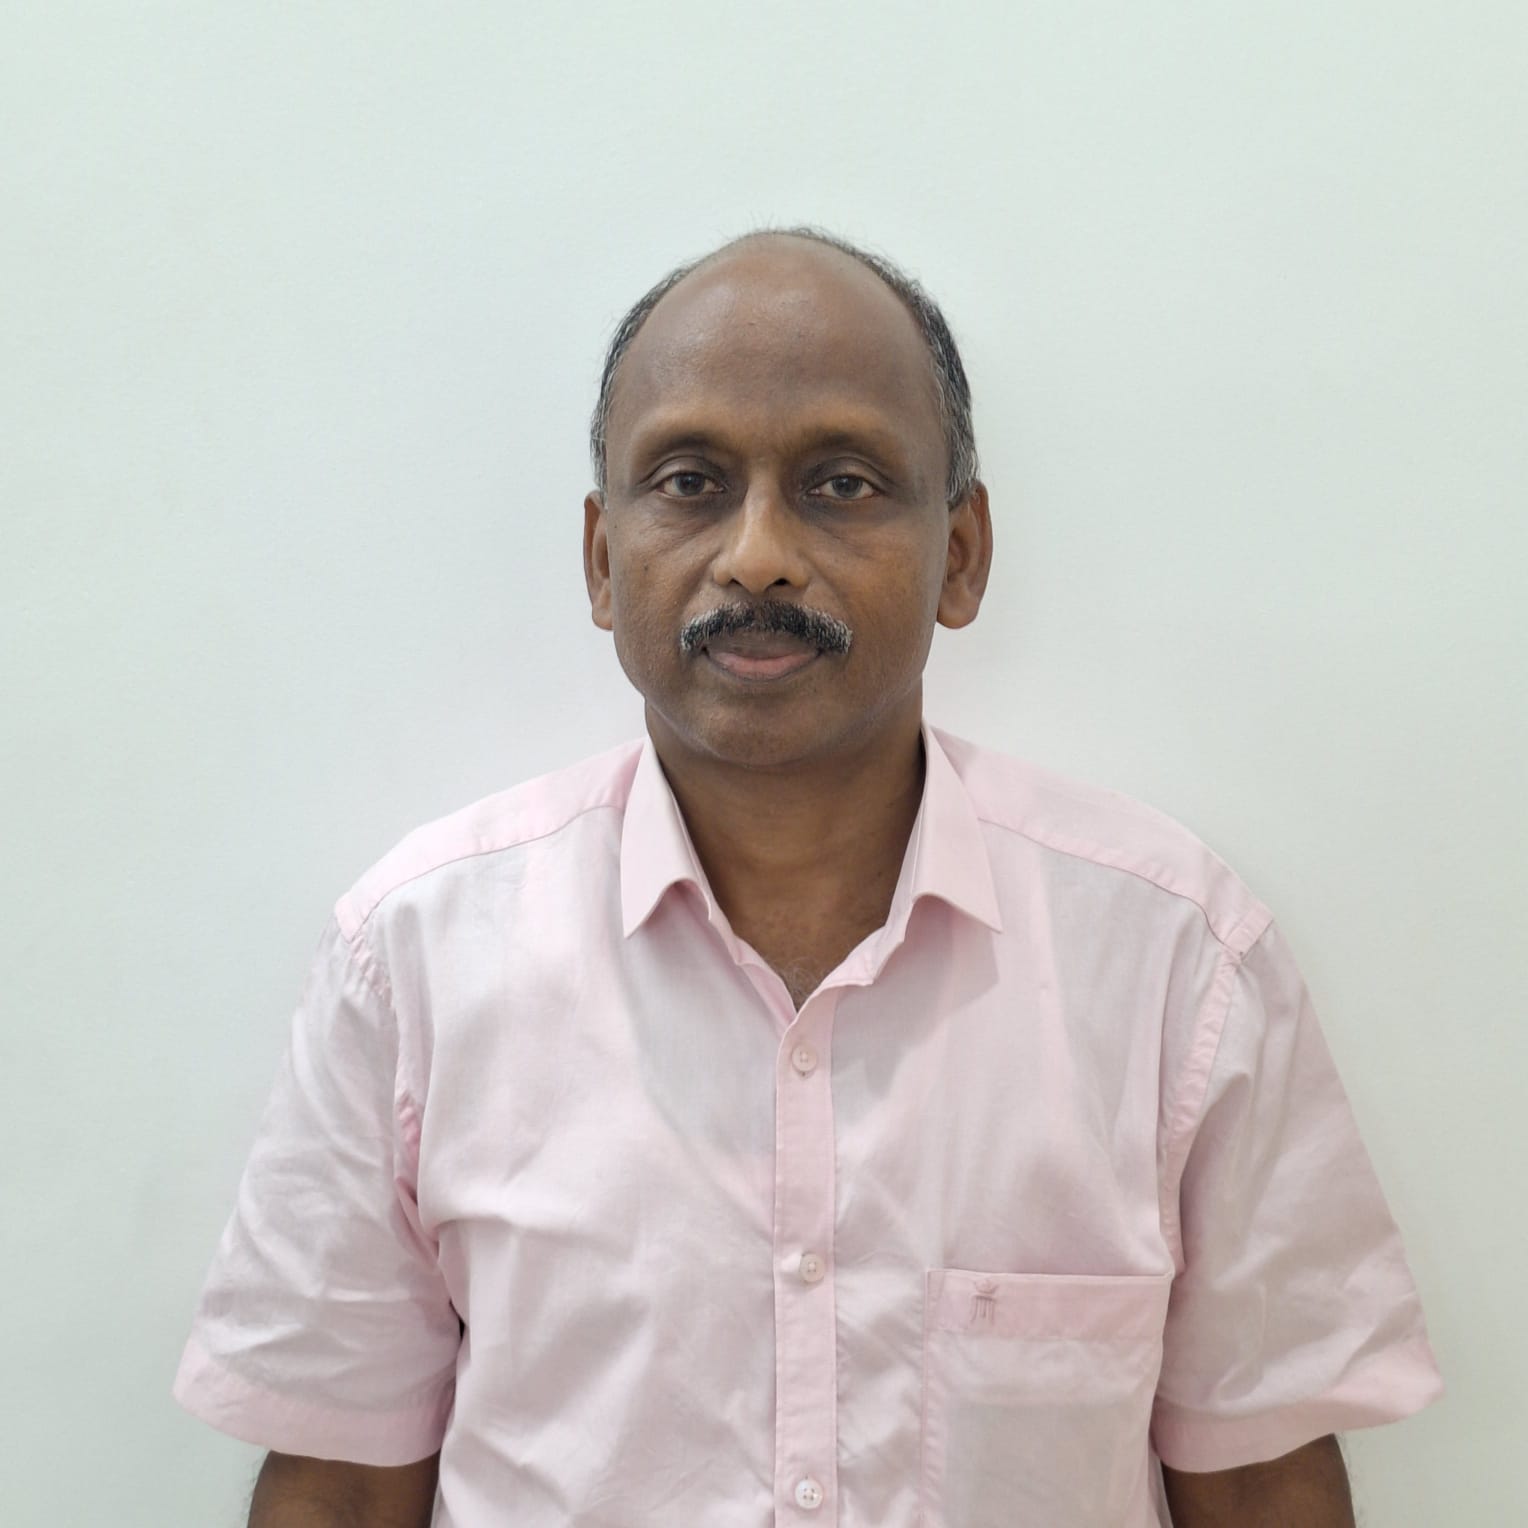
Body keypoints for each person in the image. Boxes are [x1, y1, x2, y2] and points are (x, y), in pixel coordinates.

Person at [174, 226, 1444, 1527]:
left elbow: (1262, 1478)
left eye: (842, 483)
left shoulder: (1175, 963)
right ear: (603, 561)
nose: (759, 554)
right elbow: (340, 1484)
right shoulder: (415, 963)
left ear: (961, 554)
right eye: (690, 482)